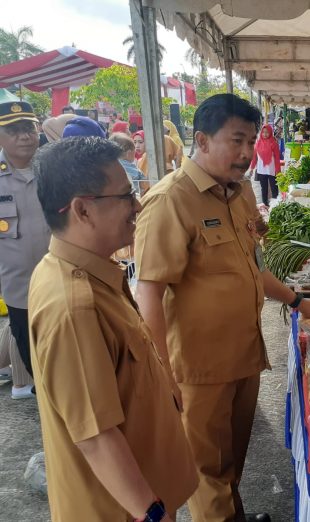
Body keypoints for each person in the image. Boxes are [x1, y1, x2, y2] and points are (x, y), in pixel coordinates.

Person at [134, 93, 310, 522]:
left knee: (231, 462)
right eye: (236, 140)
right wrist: (161, 373)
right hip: (199, 370)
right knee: (207, 473)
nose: (245, 153)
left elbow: (252, 267)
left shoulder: (237, 194)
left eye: (251, 141)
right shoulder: (170, 201)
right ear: (201, 140)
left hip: (242, 356)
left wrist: (297, 300)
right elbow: (148, 292)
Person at [30, 136, 199, 521]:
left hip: (144, 489)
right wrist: (151, 513)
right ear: (82, 210)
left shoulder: (90, 274)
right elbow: (96, 436)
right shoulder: (75, 306)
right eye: (124, 196)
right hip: (123, 509)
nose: (137, 205)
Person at [0, 100, 50, 399]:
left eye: (29, 128)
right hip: (20, 292)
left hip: (64, 283)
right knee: (35, 364)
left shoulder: (55, 169)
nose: (24, 136)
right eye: (13, 130)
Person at [249, 123, 281, 206]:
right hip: (261, 170)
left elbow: (277, 158)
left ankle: (275, 205)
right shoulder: (258, 144)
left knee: (274, 188)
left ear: (270, 132)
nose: (265, 134)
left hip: (272, 170)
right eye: (263, 132)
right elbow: (254, 158)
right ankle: (265, 205)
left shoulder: (274, 143)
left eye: (267, 132)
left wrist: (278, 172)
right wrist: (252, 168)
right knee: (264, 189)